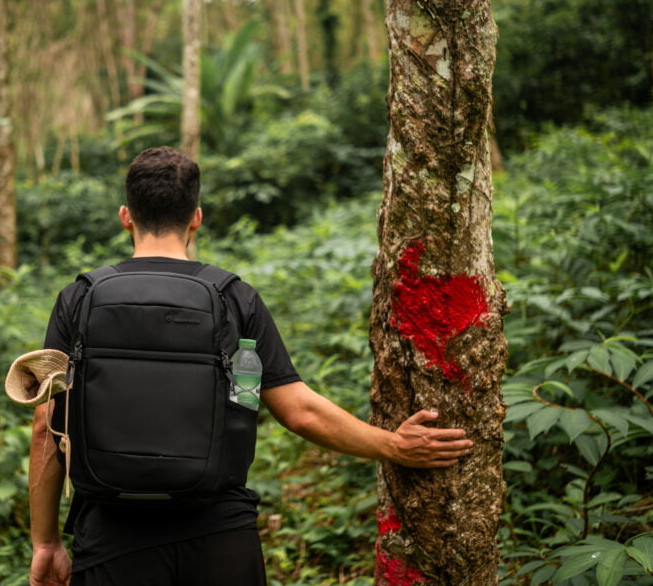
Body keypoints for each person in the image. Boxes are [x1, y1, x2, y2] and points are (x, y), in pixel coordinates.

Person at [28, 146, 473, 586]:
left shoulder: (79, 298)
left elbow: (46, 426)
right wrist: (393, 445)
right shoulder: (233, 297)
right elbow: (298, 411)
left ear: (126, 216)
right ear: (196, 217)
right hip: (219, 534)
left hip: (111, 537)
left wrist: (46, 543)